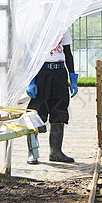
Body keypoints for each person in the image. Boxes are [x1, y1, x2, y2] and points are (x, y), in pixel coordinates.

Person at [25, 29, 78, 164]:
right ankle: (32, 153)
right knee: (35, 112)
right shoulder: (37, 27)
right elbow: (29, 55)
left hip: (60, 72)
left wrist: (72, 76)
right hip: (42, 72)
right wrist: (31, 80)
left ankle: (56, 152)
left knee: (59, 110)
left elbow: (68, 53)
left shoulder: (63, 28)